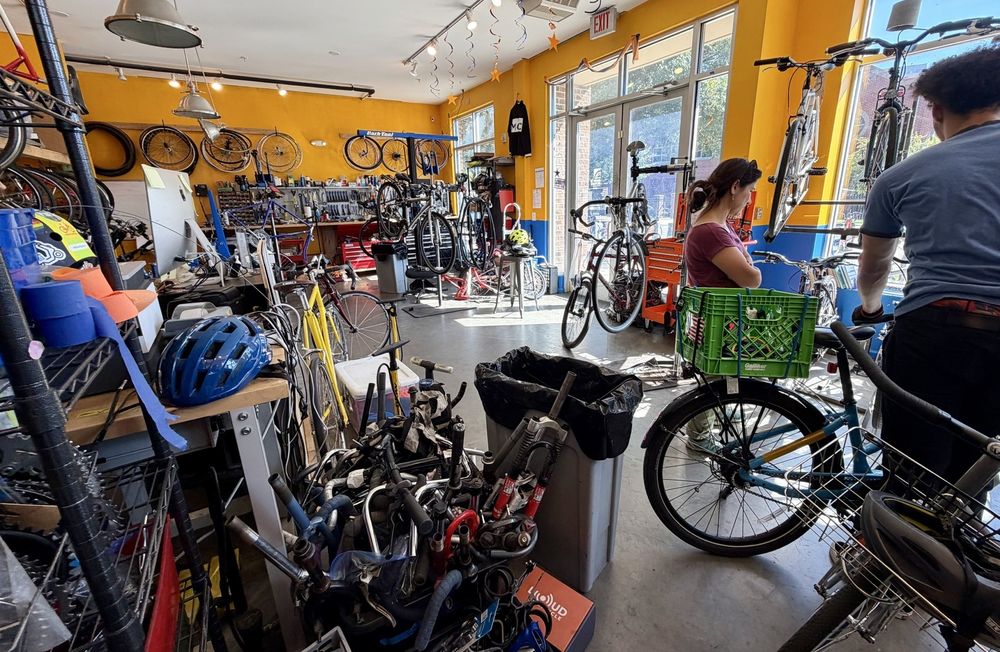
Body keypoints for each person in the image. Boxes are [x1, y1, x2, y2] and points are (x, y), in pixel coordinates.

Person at [854, 45, 1000, 484]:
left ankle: (898, 548)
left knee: (912, 463)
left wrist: (871, 309)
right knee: (978, 462)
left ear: (935, 110)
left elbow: (874, 266)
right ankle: (957, 544)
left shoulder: (901, 176)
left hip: (934, 326)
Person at [682, 158, 762, 452]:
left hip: (722, 319)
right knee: (714, 382)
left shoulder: (718, 226)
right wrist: (753, 270)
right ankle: (700, 439)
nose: (749, 197)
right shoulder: (711, 231)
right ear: (735, 186)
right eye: (749, 190)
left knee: (719, 378)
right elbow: (749, 277)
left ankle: (708, 432)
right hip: (718, 321)